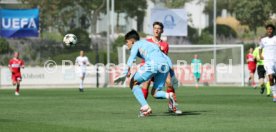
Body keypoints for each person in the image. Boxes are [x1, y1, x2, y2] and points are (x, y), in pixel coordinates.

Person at [114, 30, 178, 117]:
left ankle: (145, 107)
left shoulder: (136, 44)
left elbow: (131, 57)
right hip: (164, 66)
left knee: (133, 83)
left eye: (127, 42)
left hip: (153, 64)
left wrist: (125, 73)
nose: (127, 44)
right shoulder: (150, 44)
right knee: (155, 93)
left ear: (132, 41)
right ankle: (169, 95)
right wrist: (173, 75)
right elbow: (166, 58)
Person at [140, 21, 181, 114]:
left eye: (159, 28)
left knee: (170, 83)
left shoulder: (165, 44)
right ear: (153, 30)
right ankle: (144, 108)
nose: (156, 30)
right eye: (155, 28)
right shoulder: (147, 42)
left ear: (162, 31)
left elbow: (165, 59)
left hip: (161, 68)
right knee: (146, 83)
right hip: (150, 67)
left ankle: (172, 106)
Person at [259, 24, 276, 102]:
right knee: (271, 77)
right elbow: (260, 48)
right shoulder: (263, 40)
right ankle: (274, 95)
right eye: (268, 29)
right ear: (266, 30)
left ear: (273, 30)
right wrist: (260, 55)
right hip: (268, 62)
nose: (269, 30)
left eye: (271, 29)